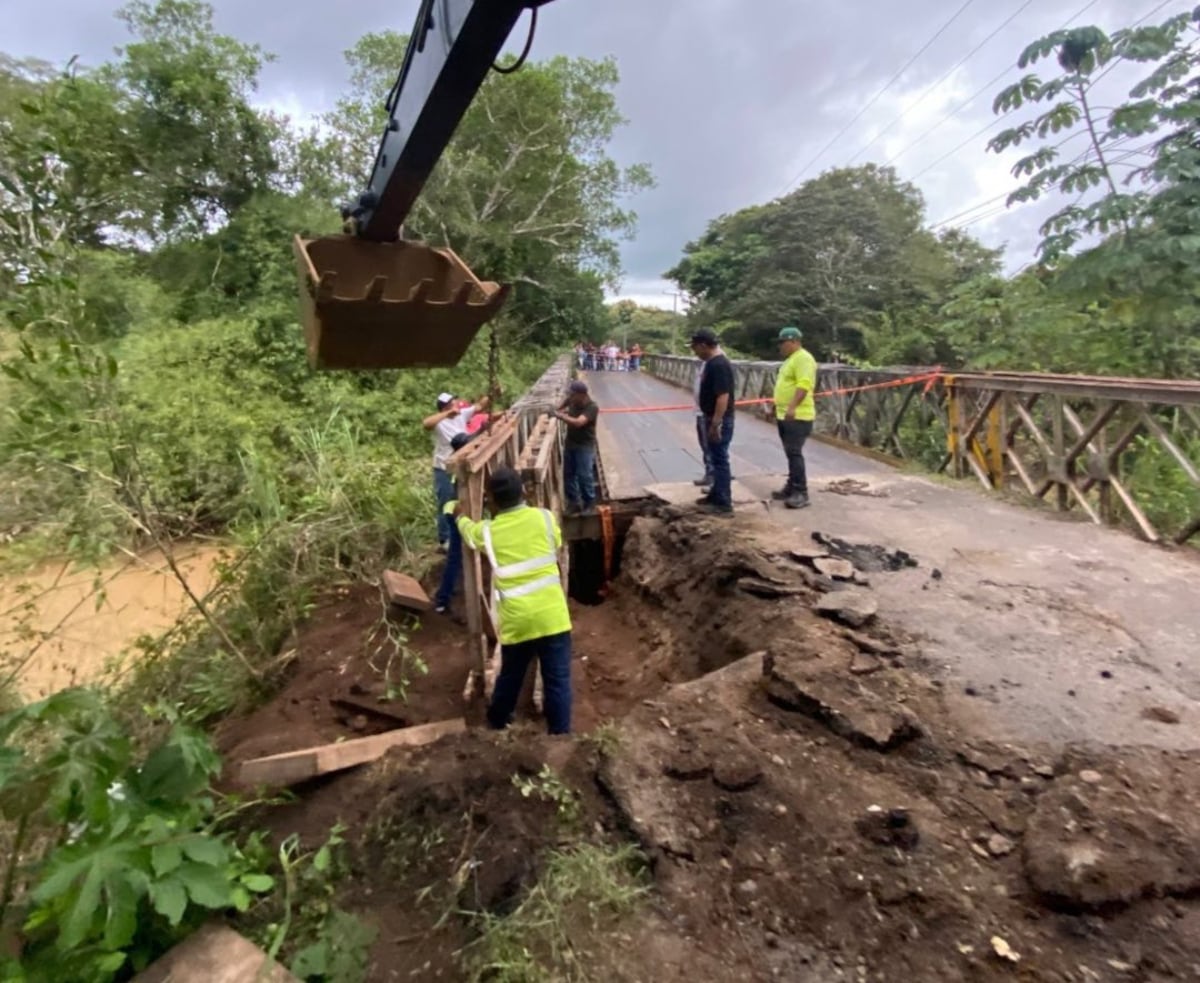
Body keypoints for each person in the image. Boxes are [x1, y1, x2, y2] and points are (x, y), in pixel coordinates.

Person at [447, 467, 572, 734]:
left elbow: (468, 533)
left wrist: (458, 515)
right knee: (558, 680)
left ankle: (497, 721)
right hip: (553, 615)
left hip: (518, 620)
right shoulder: (546, 518)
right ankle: (561, 737)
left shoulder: (489, 532)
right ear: (523, 492)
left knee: (511, 675)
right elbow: (557, 541)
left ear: (491, 500)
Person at [423, 390, 490, 549]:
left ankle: (462, 533)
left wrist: (491, 394)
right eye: (451, 403)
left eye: (455, 402)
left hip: (461, 464)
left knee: (463, 498)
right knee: (446, 501)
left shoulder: (462, 414)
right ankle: (445, 539)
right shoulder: (440, 421)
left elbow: (479, 406)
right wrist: (446, 414)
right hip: (443, 468)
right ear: (445, 407)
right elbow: (426, 424)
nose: (456, 405)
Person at [690, 328, 735, 515]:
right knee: (716, 458)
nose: (694, 352)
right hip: (711, 416)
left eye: (694, 347)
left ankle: (723, 503)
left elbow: (723, 396)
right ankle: (715, 495)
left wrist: (716, 423)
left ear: (703, 345)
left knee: (720, 459)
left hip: (718, 419)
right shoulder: (711, 363)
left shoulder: (718, 365)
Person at [772, 326, 817, 509]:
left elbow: (803, 385)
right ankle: (791, 487)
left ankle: (801, 492)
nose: (781, 346)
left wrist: (792, 407)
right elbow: (784, 386)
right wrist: (776, 406)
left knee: (794, 452)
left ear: (794, 341)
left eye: (783, 342)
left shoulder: (804, 358)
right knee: (790, 453)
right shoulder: (791, 360)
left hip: (798, 415)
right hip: (785, 414)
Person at [433, 431, 477, 616]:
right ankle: (442, 600)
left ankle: (451, 592)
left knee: (458, 557)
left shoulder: (457, 463)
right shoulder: (459, 468)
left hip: (455, 511)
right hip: (455, 513)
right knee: (455, 558)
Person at [555, 380, 600, 516]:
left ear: (582, 395)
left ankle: (589, 503)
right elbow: (562, 404)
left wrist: (560, 416)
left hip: (585, 445)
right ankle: (574, 503)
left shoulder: (592, 407)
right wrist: (558, 408)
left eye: (573, 395)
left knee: (584, 475)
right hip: (571, 443)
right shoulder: (573, 400)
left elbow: (579, 422)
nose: (571, 397)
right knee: (569, 475)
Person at [691, 352, 714, 491]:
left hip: (708, 414)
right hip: (700, 411)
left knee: (712, 446)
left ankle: (714, 479)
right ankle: (709, 473)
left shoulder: (716, 363)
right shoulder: (706, 362)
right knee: (705, 445)